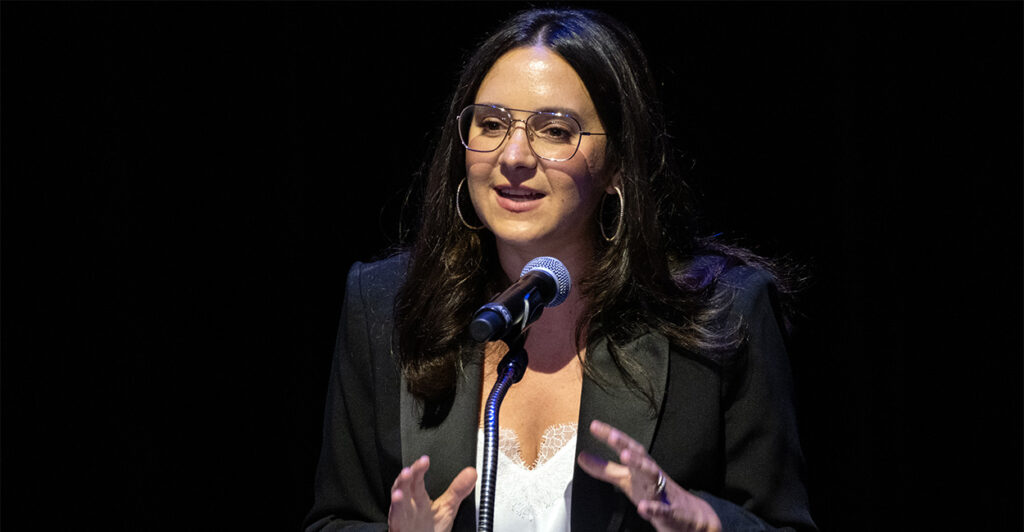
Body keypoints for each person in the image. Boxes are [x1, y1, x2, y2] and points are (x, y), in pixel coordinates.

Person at [305, 8, 816, 532]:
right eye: (491, 124)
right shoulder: (385, 303)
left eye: (554, 130)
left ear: (618, 163)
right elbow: (334, 520)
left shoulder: (725, 312)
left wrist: (708, 524)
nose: (514, 156)